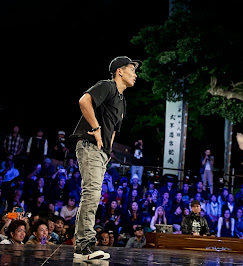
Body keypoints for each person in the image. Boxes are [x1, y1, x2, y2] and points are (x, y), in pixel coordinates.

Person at [70, 56, 141, 260]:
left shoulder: (122, 101)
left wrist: (108, 151)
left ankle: (84, 246)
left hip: (101, 152)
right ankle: (84, 247)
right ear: (120, 71)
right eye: (132, 70)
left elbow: (114, 131)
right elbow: (84, 101)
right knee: (91, 193)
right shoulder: (107, 86)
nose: (135, 74)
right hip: (89, 144)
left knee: (93, 195)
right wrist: (96, 128)